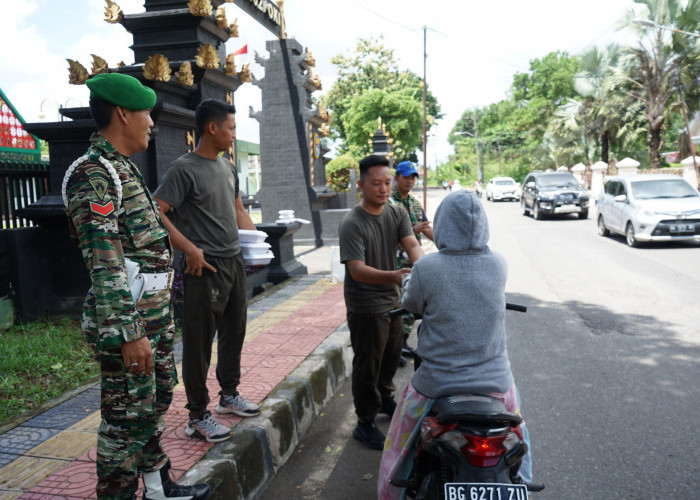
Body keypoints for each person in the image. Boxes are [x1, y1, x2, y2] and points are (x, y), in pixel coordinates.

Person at [63, 72, 210, 499]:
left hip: (150, 313)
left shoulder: (121, 166)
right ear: (124, 113)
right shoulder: (93, 175)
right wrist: (129, 335)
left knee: (153, 399)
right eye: (147, 112)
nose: (152, 122)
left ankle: (157, 484)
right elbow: (104, 262)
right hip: (126, 321)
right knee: (124, 414)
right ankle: (118, 491)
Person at [377, 190, 540, 498]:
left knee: (400, 445)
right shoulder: (498, 264)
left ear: (443, 224)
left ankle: (389, 492)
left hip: (436, 384)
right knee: (520, 437)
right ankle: (523, 486)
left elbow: (412, 303)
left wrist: (409, 281)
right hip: (495, 384)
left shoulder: (427, 268)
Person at [154, 98, 260, 444]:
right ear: (212, 128)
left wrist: (257, 245)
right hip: (204, 267)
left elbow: (237, 207)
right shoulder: (183, 169)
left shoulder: (227, 167)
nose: (233, 134)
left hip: (233, 262)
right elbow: (157, 211)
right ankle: (197, 415)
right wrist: (189, 249)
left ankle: (228, 395)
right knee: (199, 342)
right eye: (231, 128)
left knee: (235, 331)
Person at [338, 154, 424, 450]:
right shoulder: (352, 223)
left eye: (388, 182)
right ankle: (364, 421)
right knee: (368, 364)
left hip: (393, 299)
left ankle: (386, 398)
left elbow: (412, 243)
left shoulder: (397, 211)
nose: (384, 189)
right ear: (361, 185)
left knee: (392, 354)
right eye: (376, 184)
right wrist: (396, 276)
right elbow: (357, 270)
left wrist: (426, 270)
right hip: (366, 305)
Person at [390, 161, 433, 365]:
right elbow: (383, 235)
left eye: (413, 177)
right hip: (394, 263)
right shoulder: (389, 203)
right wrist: (411, 231)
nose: (410, 181)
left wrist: (448, 242)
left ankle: (403, 343)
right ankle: (394, 349)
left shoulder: (415, 203)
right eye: (406, 177)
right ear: (396, 177)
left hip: (414, 264)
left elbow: (425, 228)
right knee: (396, 306)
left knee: (410, 307)